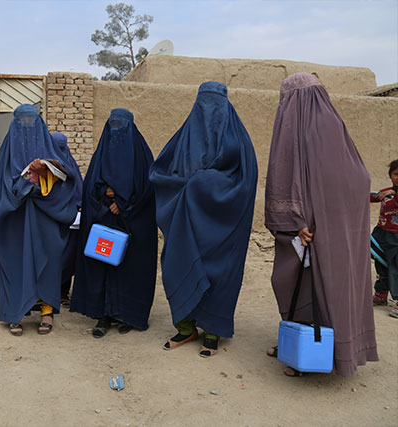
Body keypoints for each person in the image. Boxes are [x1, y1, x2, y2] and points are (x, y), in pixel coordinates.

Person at [264, 72, 378, 377]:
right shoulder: (333, 126)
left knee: (312, 288)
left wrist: (304, 218)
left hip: (313, 230)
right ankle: (307, 345)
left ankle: (316, 355)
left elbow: (331, 178)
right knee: (316, 285)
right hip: (327, 227)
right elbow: (357, 178)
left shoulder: (308, 131)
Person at [149, 81, 258, 357]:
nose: (209, 110)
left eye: (215, 103)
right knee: (177, 266)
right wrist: (185, 190)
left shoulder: (238, 139)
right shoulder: (183, 137)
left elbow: (245, 182)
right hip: (183, 221)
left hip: (223, 224)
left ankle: (212, 331)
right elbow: (160, 173)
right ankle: (186, 328)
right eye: (204, 103)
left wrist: (202, 184)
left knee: (219, 274)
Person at [70, 108, 157, 338]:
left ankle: (127, 314)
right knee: (103, 266)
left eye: (122, 126)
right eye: (113, 126)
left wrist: (124, 203)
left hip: (133, 223)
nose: (117, 131)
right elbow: (90, 186)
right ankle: (103, 314)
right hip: (105, 221)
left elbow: (148, 189)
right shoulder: (100, 156)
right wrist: (105, 195)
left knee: (130, 268)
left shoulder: (142, 155)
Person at [0, 104, 79, 336]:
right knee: (16, 263)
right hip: (16, 220)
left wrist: (43, 174)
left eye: (32, 122)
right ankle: (16, 313)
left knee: (47, 263)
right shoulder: (7, 151)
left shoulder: (51, 150)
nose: (27, 128)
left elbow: (67, 184)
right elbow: (3, 187)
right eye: (23, 122)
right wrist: (25, 182)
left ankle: (47, 311)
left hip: (45, 219)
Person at [51, 132, 83, 307]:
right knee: (57, 256)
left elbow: (79, 188)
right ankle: (52, 292)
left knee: (69, 257)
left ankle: (63, 292)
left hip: (72, 220)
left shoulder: (71, 166)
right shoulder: (48, 166)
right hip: (54, 220)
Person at [371, 159, 398, 317]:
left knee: (396, 267)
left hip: (396, 239)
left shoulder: (392, 193)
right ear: (390, 176)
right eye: (395, 174)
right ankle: (381, 295)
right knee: (381, 264)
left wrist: (394, 193)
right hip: (381, 234)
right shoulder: (386, 192)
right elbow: (372, 197)